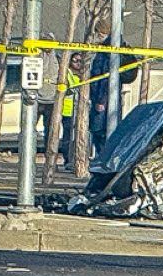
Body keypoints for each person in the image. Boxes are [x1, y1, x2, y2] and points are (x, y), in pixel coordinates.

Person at [88, 18, 140, 154]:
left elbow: (104, 78)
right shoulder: (115, 47)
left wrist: (101, 100)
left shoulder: (108, 51)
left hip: (104, 99)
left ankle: (103, 159)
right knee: (105, 130)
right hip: (109, 97)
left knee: (100, 132)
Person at [37, 33, 60, 153]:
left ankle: (49, 158)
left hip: (52, 100)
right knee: (28, 129)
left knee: (50, 131)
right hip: (35, 98)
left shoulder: (59, 57)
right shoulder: (35, 54)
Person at [59, 53, 83, 168]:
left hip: (81, 111)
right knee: (68, 137)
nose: (78, 63)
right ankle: (68, 159)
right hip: (68, 111)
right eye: (75, 61)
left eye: (80, 61)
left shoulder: (84, 74)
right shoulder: (66, 73)